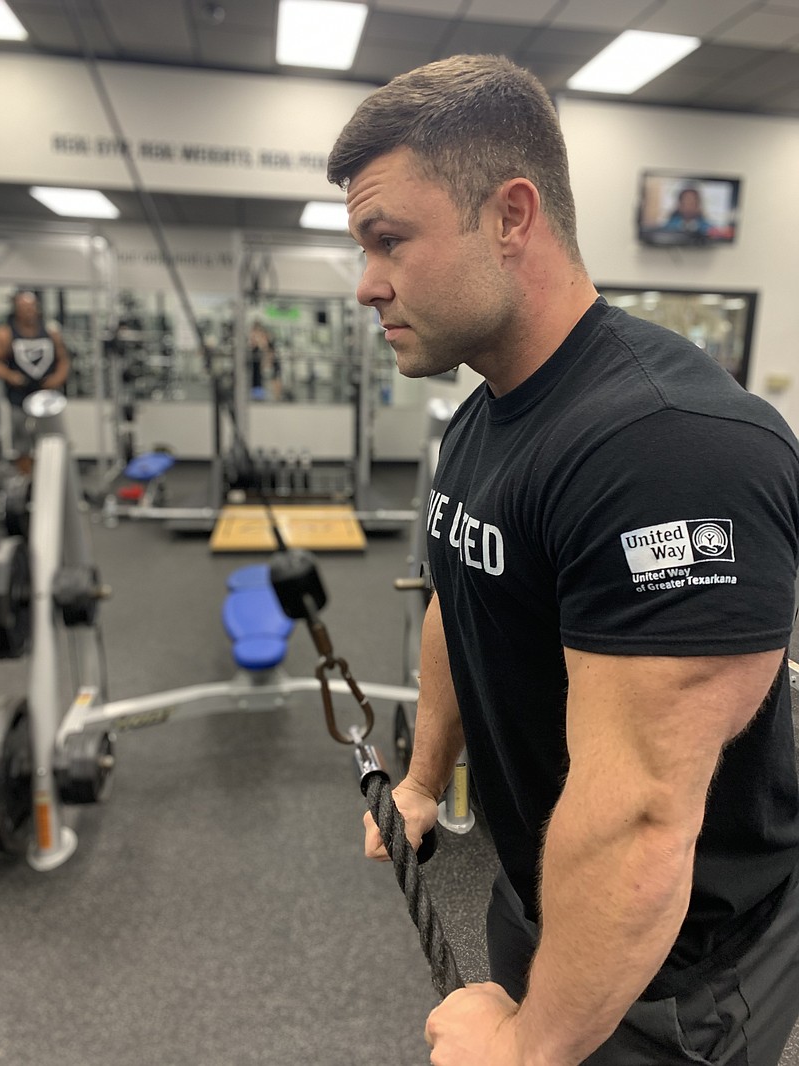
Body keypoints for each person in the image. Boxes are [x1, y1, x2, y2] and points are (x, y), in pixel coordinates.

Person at [327, 54, 799, 1066]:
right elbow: (460, 597)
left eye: (387, 240)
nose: (367, 285)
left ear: (509, 216)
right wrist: (419, 780)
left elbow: (637, 821)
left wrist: (526, 1051)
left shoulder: (667, 448)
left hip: (673, 963)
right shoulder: (485, 417)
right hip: (547, 882)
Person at [0, 290, 70, 474]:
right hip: (19, 395)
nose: (28, 311)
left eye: (31, 307)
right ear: (16, 309)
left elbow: (63, 359)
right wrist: (10, 375)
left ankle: (50, 475)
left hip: (45, 395)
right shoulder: (6, 334)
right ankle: (25, 479)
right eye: (23, 307)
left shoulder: (50, 332)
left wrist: (57, 378)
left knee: (51, 438)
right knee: (22, 439)